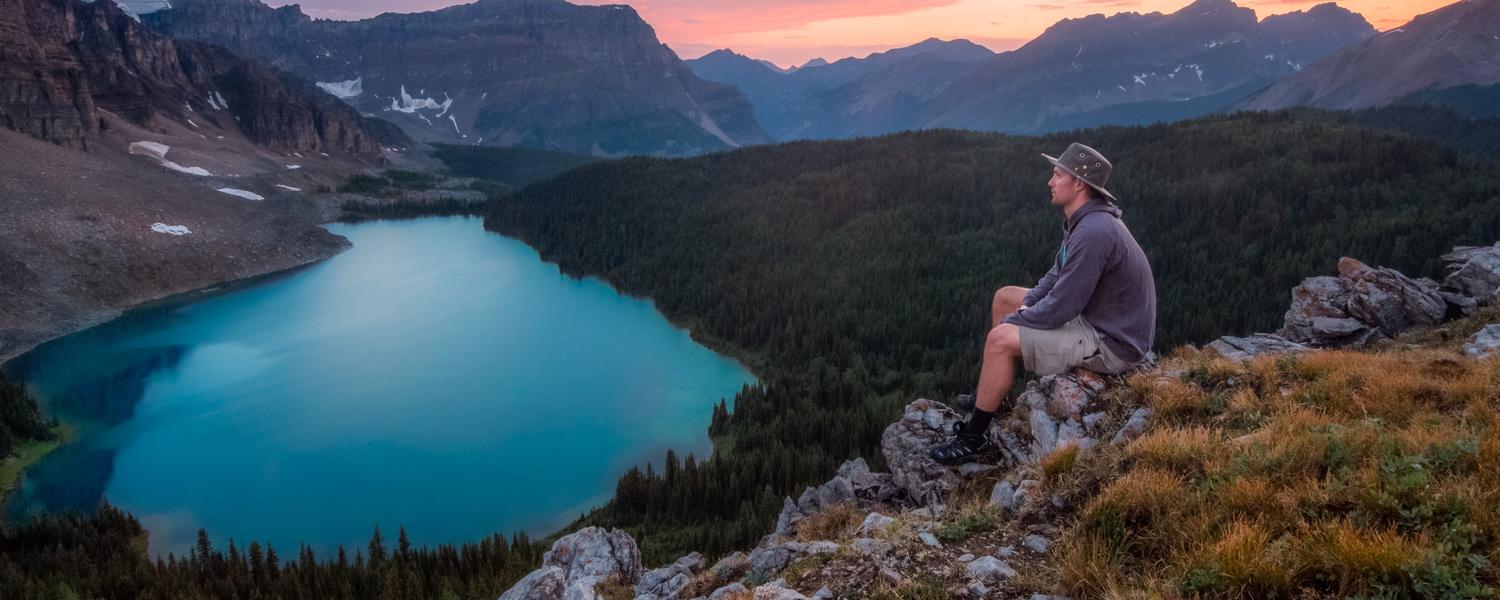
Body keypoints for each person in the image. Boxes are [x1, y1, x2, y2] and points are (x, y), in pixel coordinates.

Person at [928, 143, 1157, 465]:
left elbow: (1063, 305)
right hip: (1100, 320)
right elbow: (1055, 276)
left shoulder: (1094, 231)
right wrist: (1023, 308)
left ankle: (972, 438)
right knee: (1004, 296)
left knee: (999, 340)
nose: (1050, 182)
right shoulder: (1084, 221)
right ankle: (998, 396)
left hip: (1113, 343)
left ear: (1078, 183)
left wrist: (1021, 320)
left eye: (1057, 174)